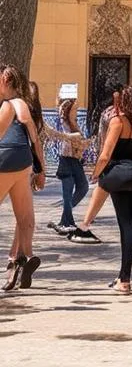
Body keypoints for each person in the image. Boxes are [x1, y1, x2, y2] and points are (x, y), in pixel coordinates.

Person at [91, 83, 132, 294]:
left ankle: (125, 280)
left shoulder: (117, 121)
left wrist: (97, 173)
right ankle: (122, 275)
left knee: (125, 224)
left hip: (120, 174)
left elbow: (105, 155)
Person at [0, 64, 46, 291]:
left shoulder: (8, 105)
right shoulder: (24, 106)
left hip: (3, 161)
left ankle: (14, 263)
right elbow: (36, 140)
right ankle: (25, 256)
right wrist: (41, 170)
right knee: (25, 216)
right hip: (24, 163)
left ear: (6, 80)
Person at [69, 88, 121, 244]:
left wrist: (99, 164)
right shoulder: (118, 114)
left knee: (102, 192)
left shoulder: (111, 114)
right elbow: (103, 137)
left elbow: (102, 139)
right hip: (116, 159)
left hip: (111, 160)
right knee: (105, 192)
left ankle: (84, 225)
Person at [50, 97, 89, 237]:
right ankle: (67, 221)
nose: (77, 111)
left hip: (75, 160)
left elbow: (79, 141)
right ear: (68, 111)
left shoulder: (75, 123)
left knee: (83, 187)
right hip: (66, 159)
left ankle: (64, 218)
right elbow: (67, 139)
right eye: (75, 109)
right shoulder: (63, 123)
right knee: (67, 192)